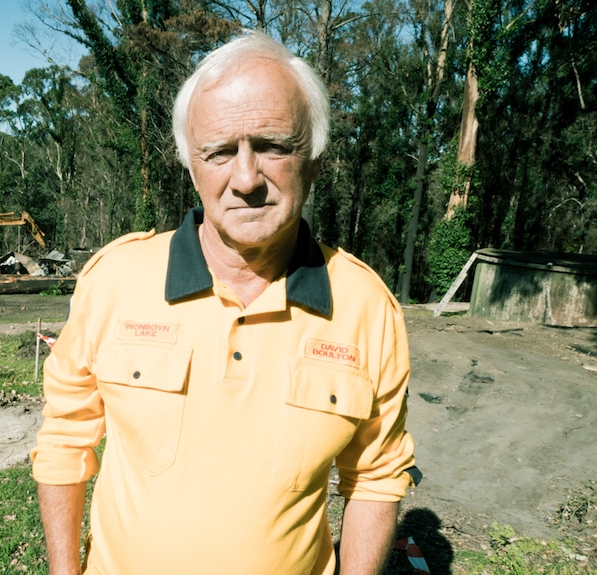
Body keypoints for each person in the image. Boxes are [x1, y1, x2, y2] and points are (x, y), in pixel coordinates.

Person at [31, 30, 419, 575]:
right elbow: (64, 440)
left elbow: (376, 478)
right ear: (190, 165)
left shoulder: (365, 306)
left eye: (272, 145)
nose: (245, 179)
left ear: (314, 159)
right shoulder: (115, 279)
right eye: (219, 152)